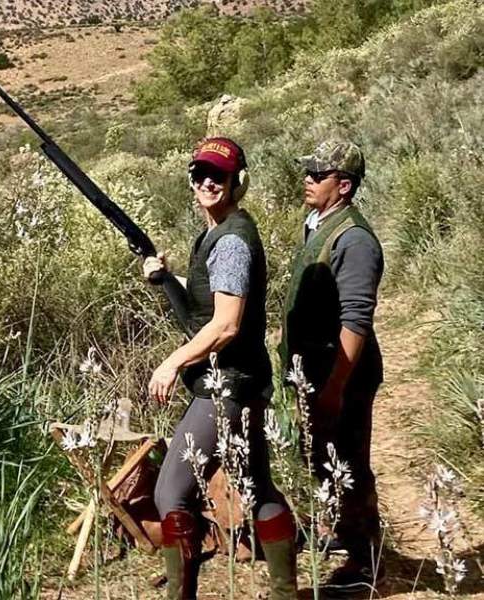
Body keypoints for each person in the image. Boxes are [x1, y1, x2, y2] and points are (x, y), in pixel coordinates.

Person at [144, 137, 297, 600]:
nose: (208, 182)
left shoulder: (230, 241)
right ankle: (286, 594)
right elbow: (206, 305)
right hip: (246, 381)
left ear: (237, 182)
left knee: (170, 494)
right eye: (199, 174)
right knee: (258, 487)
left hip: (226, 388)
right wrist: (165, 278)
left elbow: (226, 324)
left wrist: (172, 361)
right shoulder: (222, 231)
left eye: (219, 175)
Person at [280, 139, 385, 594]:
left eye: (317, 175)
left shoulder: (355, 240)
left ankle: (365, 561)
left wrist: (335, 388)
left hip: (344, 374)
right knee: (323, 455)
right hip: (318, 370)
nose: (307, 180)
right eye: (308, 172)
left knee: (350, 461)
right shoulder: (321, 224)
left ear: (343, 186)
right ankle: (342, 532)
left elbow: (356, 320)